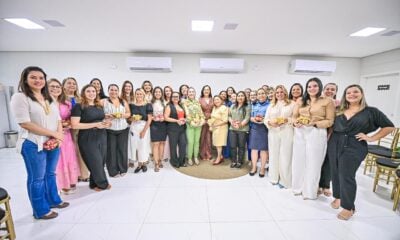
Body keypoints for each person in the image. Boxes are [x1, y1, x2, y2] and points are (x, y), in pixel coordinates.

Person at [328, 84, 394, 220]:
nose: (352, 94)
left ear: (362, 94)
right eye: (348, 93)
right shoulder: (339, 109)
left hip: (355, 144)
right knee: (335, 171)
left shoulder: (371, 111)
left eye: (355, 92)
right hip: (335, 142)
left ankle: (348, 207)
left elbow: (389, 127)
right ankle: (338, 197)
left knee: (346, 174)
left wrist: (371, 138)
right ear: (344, 96)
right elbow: (331, 127)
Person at [11, 66, 68, 220]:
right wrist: (53, 134)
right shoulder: (20, 97)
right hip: (32, 143)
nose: (38, 80)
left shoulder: (49, 98)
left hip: (52, 142)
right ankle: (40, 210)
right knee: (37, 178)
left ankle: (53, 200)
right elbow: (25, 123)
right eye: (33, 77)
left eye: (41, 77)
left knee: (50, 173)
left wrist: (58, 138)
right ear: (25, 79)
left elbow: (58, 120)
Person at [292, 77, 335, 199]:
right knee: (298, 161)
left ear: (320, 87)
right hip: (300, 131)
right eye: (309, 86)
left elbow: (330, 121)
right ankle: (297, 188)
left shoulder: (327, 101)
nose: (312, 88)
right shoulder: (301, 100)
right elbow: (294, 117)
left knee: (313, 163)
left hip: (317, 132)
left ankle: (309, 192)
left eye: (315, 86)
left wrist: (315, 124)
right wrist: (295, 123)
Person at [71, 84, 112, 191]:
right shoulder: (79, 106)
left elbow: (100, 120)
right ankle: (103, 184)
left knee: (101, 161)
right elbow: (75, 125)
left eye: (93, 91)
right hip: (87, 137)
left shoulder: (99, 106)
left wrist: (106, 123)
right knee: (95, 161)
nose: (91, 93)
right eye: (88, 91)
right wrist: (95, 125)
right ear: (83, 93)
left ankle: (93, 184)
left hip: (102, 135)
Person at [48, 78, 79, 195]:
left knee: (70, 157)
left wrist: (68, 123)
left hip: (67, 134)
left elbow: (72, 119)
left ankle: (71, 181)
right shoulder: (45, 103)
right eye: (52, 86)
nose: (55, 89)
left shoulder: (66, 103)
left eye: (57, 87)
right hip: (52, 135)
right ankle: (62, 184)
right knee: (59, 160)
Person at [264, 85, 295, 188]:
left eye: (281, 92)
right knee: (273, 155)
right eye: (277, 92)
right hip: (273, 132)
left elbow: (295, 118)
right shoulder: (271, 105)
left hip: (287, 131)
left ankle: (285, 181)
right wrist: (270, 123)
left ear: (285, 93)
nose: (279, 94)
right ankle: (274, 177)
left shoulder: (292, 104)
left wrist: (286, 120)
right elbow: (266, 119)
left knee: (285, 156)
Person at [62, 77, 89, 182]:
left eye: (74, 83)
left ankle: (84, 174)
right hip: (67, 130)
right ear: (63, 85)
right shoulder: (60, 99)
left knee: (82, 151)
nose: (72, 85)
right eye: (69, 83)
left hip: (80, 128)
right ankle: (73, 175)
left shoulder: (80, 99)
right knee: (71, 153)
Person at [103, 84, 130, 177]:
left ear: (118, 91)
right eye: (111, 90)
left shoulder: (123, 101)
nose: (113, 92)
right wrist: (106, 116)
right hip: (110, 129)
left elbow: (128, 113)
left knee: (122, 150)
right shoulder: (103, 102)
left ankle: (123, 169)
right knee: (111, 151)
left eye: (115, 90)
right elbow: (99, 114)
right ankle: (113, 171)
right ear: (108, 91)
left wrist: (122, 115)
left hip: (123, 128)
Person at [318, 82, 339, 196]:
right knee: (318, 159)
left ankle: (326, 185)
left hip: (333, 135)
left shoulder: (339, 104)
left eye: (333, 89)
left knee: (329, 160)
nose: (329, 91)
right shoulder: (319, 102)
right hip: (320, 133)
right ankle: (317, 183)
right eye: (327, 89)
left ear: (336, 92)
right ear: (323, 90)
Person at [129, 88, 153, 173]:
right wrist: (132, 119)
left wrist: (143, 131)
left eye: (141, 94)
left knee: (143, 145)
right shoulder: (131, 105)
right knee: (136, 146)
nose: (139, 95)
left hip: (144, 126)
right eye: (137, 94)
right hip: (134, 127)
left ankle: (143, 164)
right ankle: (139, 164)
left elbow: (149, 119)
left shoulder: (148, 104)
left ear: (143, 95)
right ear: (135, 95)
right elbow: (129, 118)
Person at [249, 88, 269, 177]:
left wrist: (263, 119)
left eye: (263, 93)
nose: (261, 95)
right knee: (254, 149)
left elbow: (270, 117)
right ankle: (254, 167)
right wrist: (253, 119)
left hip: (264, 129)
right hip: (254, 129)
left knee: (263, 150)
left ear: (266, 94)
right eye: (259, 94)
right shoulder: (253, 105)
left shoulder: (270, 105)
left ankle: (262, 168)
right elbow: (250, 116)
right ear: (257, 96)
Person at [164, 91, 187, 168]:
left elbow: (183, 116)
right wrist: (176, 121)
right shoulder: (169, 106)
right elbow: (166, 118)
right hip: (172, 129)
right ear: (171, 98)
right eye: (174, 96)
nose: (175, 98)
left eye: (177, 96)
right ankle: (174, 162)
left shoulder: (181, 106)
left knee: (183, 145)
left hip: (182, 129)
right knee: (173, 146)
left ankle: (182, 161)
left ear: (179, 98)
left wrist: (184, 119)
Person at [183, 87, 205, 166]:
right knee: (190, 142)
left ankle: (195, 157)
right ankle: (189, 157)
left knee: (196, 142)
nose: (191, 93)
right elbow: (187, 113)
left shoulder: (197, 102)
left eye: (193, 92)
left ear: (195, 93)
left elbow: (201, 113)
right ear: (187, 93)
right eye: (190, 92)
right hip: (190, 125)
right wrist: (191, 122)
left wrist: (202, 120)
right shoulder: (185, 102)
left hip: (199, 125)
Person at [228, 91, 250, 168]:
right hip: (232, 129)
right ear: (236, 97)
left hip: (242, 129)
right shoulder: (232, 106)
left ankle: (240, 162)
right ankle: (234, 161)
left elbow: (247, 118)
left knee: (241, 146)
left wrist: (240, 125)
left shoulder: (247, 106)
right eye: (239, 96)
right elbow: (229, 116)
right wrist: (232, 122)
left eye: (242, 96)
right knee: (233, 146)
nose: (240, 97)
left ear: (245, 98)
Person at [150, 87, 167, 172]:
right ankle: (156, 163)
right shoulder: (150, 102)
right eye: (156, 92)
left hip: (163, 124)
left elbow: (167, 114)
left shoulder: (164, 102)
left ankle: (160, 160)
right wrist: (153, 118)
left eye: (159, 92)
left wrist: (163, 118)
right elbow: (148, 114)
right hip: (154, 124)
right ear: (154, 93)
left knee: (162, 143)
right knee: (156, 144)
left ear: (161, 93)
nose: (157, 93)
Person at [208, 95, 229, 165]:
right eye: (215, 100)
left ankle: (218, 158)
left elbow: (225, 120)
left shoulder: (224, 108)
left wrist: (215, 125)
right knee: (217, 143)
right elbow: (213, 118)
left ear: (221, 100)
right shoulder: (214, 108)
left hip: (221, 128)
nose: (216, 101)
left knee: (219, 144)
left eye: (218, 99)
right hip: (215, 127)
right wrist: (211, 124)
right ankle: (221, 156)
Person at [120, 80, 135, 168]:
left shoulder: (134, 97)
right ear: (123, 87)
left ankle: (132, 160)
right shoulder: (120, 98)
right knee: (124, 142)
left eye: (130, 86)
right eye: (126, 86)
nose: (128, 88)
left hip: (133, 122)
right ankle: (124, 159)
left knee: (132, 142)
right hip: (123, 122)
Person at [199, 85, 214, 161]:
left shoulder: (213, 99)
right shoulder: (199, 99)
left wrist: (211, 119)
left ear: (210, 91)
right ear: (202, 91)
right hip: (202, 120)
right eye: (205, 89)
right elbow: (198, 111)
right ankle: (202, 154)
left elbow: (215, 109)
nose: (206, 91)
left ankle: (209, 153)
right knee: (202, 137)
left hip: (211, 121)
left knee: (209, 137)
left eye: (208, 89)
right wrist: (203, 119)